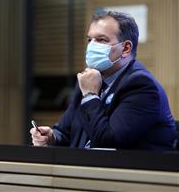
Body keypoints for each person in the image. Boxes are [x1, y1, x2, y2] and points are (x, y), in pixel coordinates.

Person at [30, 11, 176, 150]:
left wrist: (90, 96)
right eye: (89, 40)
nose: (91, 46)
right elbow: (65, 131)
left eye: (101, 40)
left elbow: (107, 142)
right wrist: (52, 137)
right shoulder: (90, 79)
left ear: (125, 48)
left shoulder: (141, 86)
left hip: (129, 173)